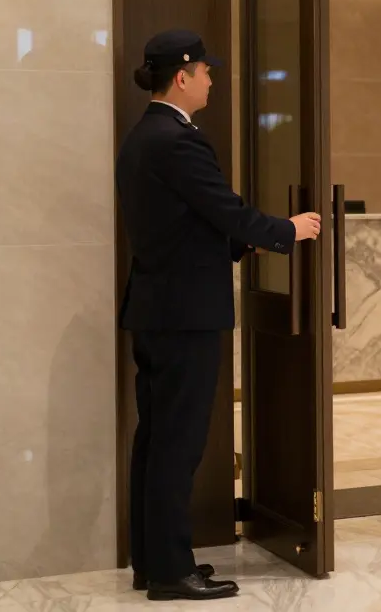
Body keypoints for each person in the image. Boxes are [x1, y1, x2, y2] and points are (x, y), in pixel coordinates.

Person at [116, 30, 321, 599]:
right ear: (182, 76)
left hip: (160, 310)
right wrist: (284, 230)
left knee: (157, 441)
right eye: (206, 71)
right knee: (176, 445)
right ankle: (169, 571)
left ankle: (154, 561)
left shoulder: (146, 137)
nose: (211, 80)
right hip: (184, 315)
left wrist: (239, 243)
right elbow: (221, 206)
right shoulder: (175, 140)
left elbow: (185, 225)